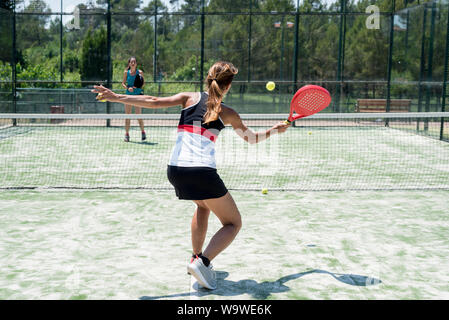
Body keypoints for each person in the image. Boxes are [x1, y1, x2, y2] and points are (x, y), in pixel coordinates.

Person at [93, 61, 290, 290]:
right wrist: (275, 130)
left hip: (175, 170)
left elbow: (153, 101)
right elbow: (252, 138)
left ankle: (195, 257)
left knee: (203, 206)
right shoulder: (228, 113)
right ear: (228, 86)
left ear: (208, 79)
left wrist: (116, 97)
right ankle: (203, 262)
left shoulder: (189, 97)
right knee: (233, 223)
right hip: (201, 172)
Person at [122, 56, 146, 142]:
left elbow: (143, 84)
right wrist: (128, 88)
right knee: (127, 116)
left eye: (134, 62)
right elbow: (123, 83)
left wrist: (136, 87)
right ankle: (127, 135)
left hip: (137, 96)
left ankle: (143, 132)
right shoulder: (126, 72)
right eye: (131, 62)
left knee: (138, 115)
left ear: (136, 64)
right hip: (128, 96)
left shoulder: (140, 72)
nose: (133, 63)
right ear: (129, 63)